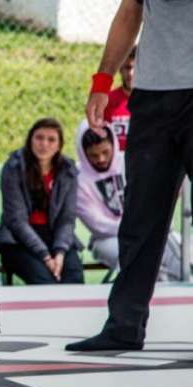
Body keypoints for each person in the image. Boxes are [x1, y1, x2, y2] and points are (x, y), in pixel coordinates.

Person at [67, 0, 193, 352]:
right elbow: (130, 10)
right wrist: (102, 80)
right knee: (141, 217)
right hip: (153, 96)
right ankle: (124, 324)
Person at [75, 121, 185, 281]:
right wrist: (140, 229)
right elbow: (98, 224)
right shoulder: (78, 179)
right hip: (108, 239)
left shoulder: (132, 160)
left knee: (181, 256)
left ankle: (179, 300)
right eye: (93, 155)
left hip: (148, 231)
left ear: (113, 144)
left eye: (106, 152)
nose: (101, 159)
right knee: (139, 261)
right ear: (83, 153)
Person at [0, 118, 84, 285]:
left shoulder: (67, 170)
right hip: (18, 241)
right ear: (30, 140)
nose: (44, 144)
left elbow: (67, 219)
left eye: (51, 140)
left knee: (74, 276)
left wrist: (60, 253)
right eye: (39, 138)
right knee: (45, 280)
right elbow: (16, 221)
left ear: (59, 145)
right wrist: (46, 257)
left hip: (55, 238)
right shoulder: (13, 167)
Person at [103, 46, 135, 152]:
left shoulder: (153, 102)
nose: (131, 74)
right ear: (120, 69)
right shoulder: (106, 100)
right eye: (127, 67)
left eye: (136, 68)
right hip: (114, 164)